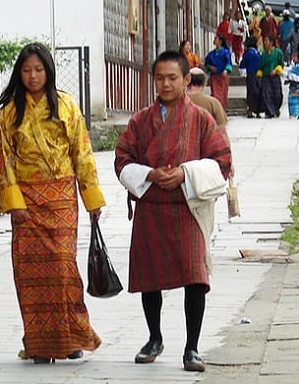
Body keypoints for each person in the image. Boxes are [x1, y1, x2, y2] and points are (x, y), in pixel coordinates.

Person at [114, 51, 232, 373]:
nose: (165, 84)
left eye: (172, 78)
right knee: (149, 277)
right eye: (160, 78)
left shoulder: (200, 119)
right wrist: (149, 174)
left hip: (186, 208)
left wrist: (185, 173)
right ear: (153, 80)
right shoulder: (139, 121)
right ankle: (154, 338)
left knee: (196, 277)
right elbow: (122, 159)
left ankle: (192, 347)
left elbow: (222, 161)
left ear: (185, 81)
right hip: (151, 206)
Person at [0, 43, 105, 364]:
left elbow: (82, 153)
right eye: (27, 70)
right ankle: (40, 341)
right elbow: (6, 161)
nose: (32, 76)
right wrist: (14, 203)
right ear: (19, 73)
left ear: (49, 71)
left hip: (61, 200)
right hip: (26, 200)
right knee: (29, 272)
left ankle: (70, 338)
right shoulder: (9, 113)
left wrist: (91, 197)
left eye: (39, 70)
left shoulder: (67, 106)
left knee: (62, 266)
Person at [204, 34, 232, 112]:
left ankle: (222, 111)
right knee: (215, 94)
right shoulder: (211, 54)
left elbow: (229, 63)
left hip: (222, 77)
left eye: (216, 38)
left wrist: (226, 70)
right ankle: (216, 111)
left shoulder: (226, 52)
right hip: (214, 77)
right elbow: (206, 64)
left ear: (220, 41)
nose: (214, 40)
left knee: (222, 95)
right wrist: (209, 67)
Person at [259, 35, 284, 118]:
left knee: (278, 94)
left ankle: (275, 109)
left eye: (266, 41)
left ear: (271, 42)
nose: (265, 43)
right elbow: (261, 66)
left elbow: (281, 64)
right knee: (266, 93)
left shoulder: (278, 52)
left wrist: (277, 70)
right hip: (266, 77)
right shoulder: (264, 54)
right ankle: (270, 111)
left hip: (275, 76)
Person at [239, 35, 263, 118]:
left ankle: (257, 110)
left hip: (257, 75)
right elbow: (243, 64)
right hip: (251, 75)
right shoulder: (249, 53)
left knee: (257, 92)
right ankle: (251, 109)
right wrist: (244, 74)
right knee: (253, 92)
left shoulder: (256, 52)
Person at [283, 51, 299, 119]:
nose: (293, 58)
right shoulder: (292, 67)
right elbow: (287, 74)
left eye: (295, 57)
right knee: (292, 102)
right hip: (292, 89)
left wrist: (292, 77)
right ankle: (292, 114)